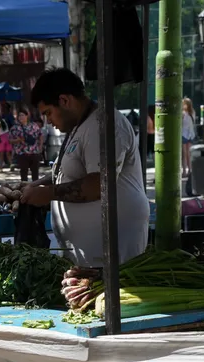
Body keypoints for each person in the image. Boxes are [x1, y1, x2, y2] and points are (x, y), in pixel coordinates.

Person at [21, 68, 150, 268]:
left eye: (48, 113)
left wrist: (48, 193)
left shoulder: (104, 125)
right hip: (87, 256)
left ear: (64, 100)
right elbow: (65, 172)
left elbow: (98, 185)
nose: (48, 121)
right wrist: (35, 185)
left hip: (113, 251)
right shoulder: (78, 127)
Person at [9, 109, 44, 182]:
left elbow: (40, 135)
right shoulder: (15, 128)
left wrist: (40, 146)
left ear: (27, 116)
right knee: (23, 173)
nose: (21, 117)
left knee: (35, 173)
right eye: (19, 116)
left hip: (34, 152)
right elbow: (10, 140)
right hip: (21, 153)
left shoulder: (34, 126)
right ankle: (24, 189)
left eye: (22, 115)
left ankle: (35, 189)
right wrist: (18, 140)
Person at [181, 98, 196, 178]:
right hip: (191, 134)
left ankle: (185, 171)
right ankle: (189, 170)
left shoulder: (183, 113)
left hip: (184, 134)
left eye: (184, 103)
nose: (183, 105)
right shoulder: (193, 112)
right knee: (188, 154)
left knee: (185, 154)